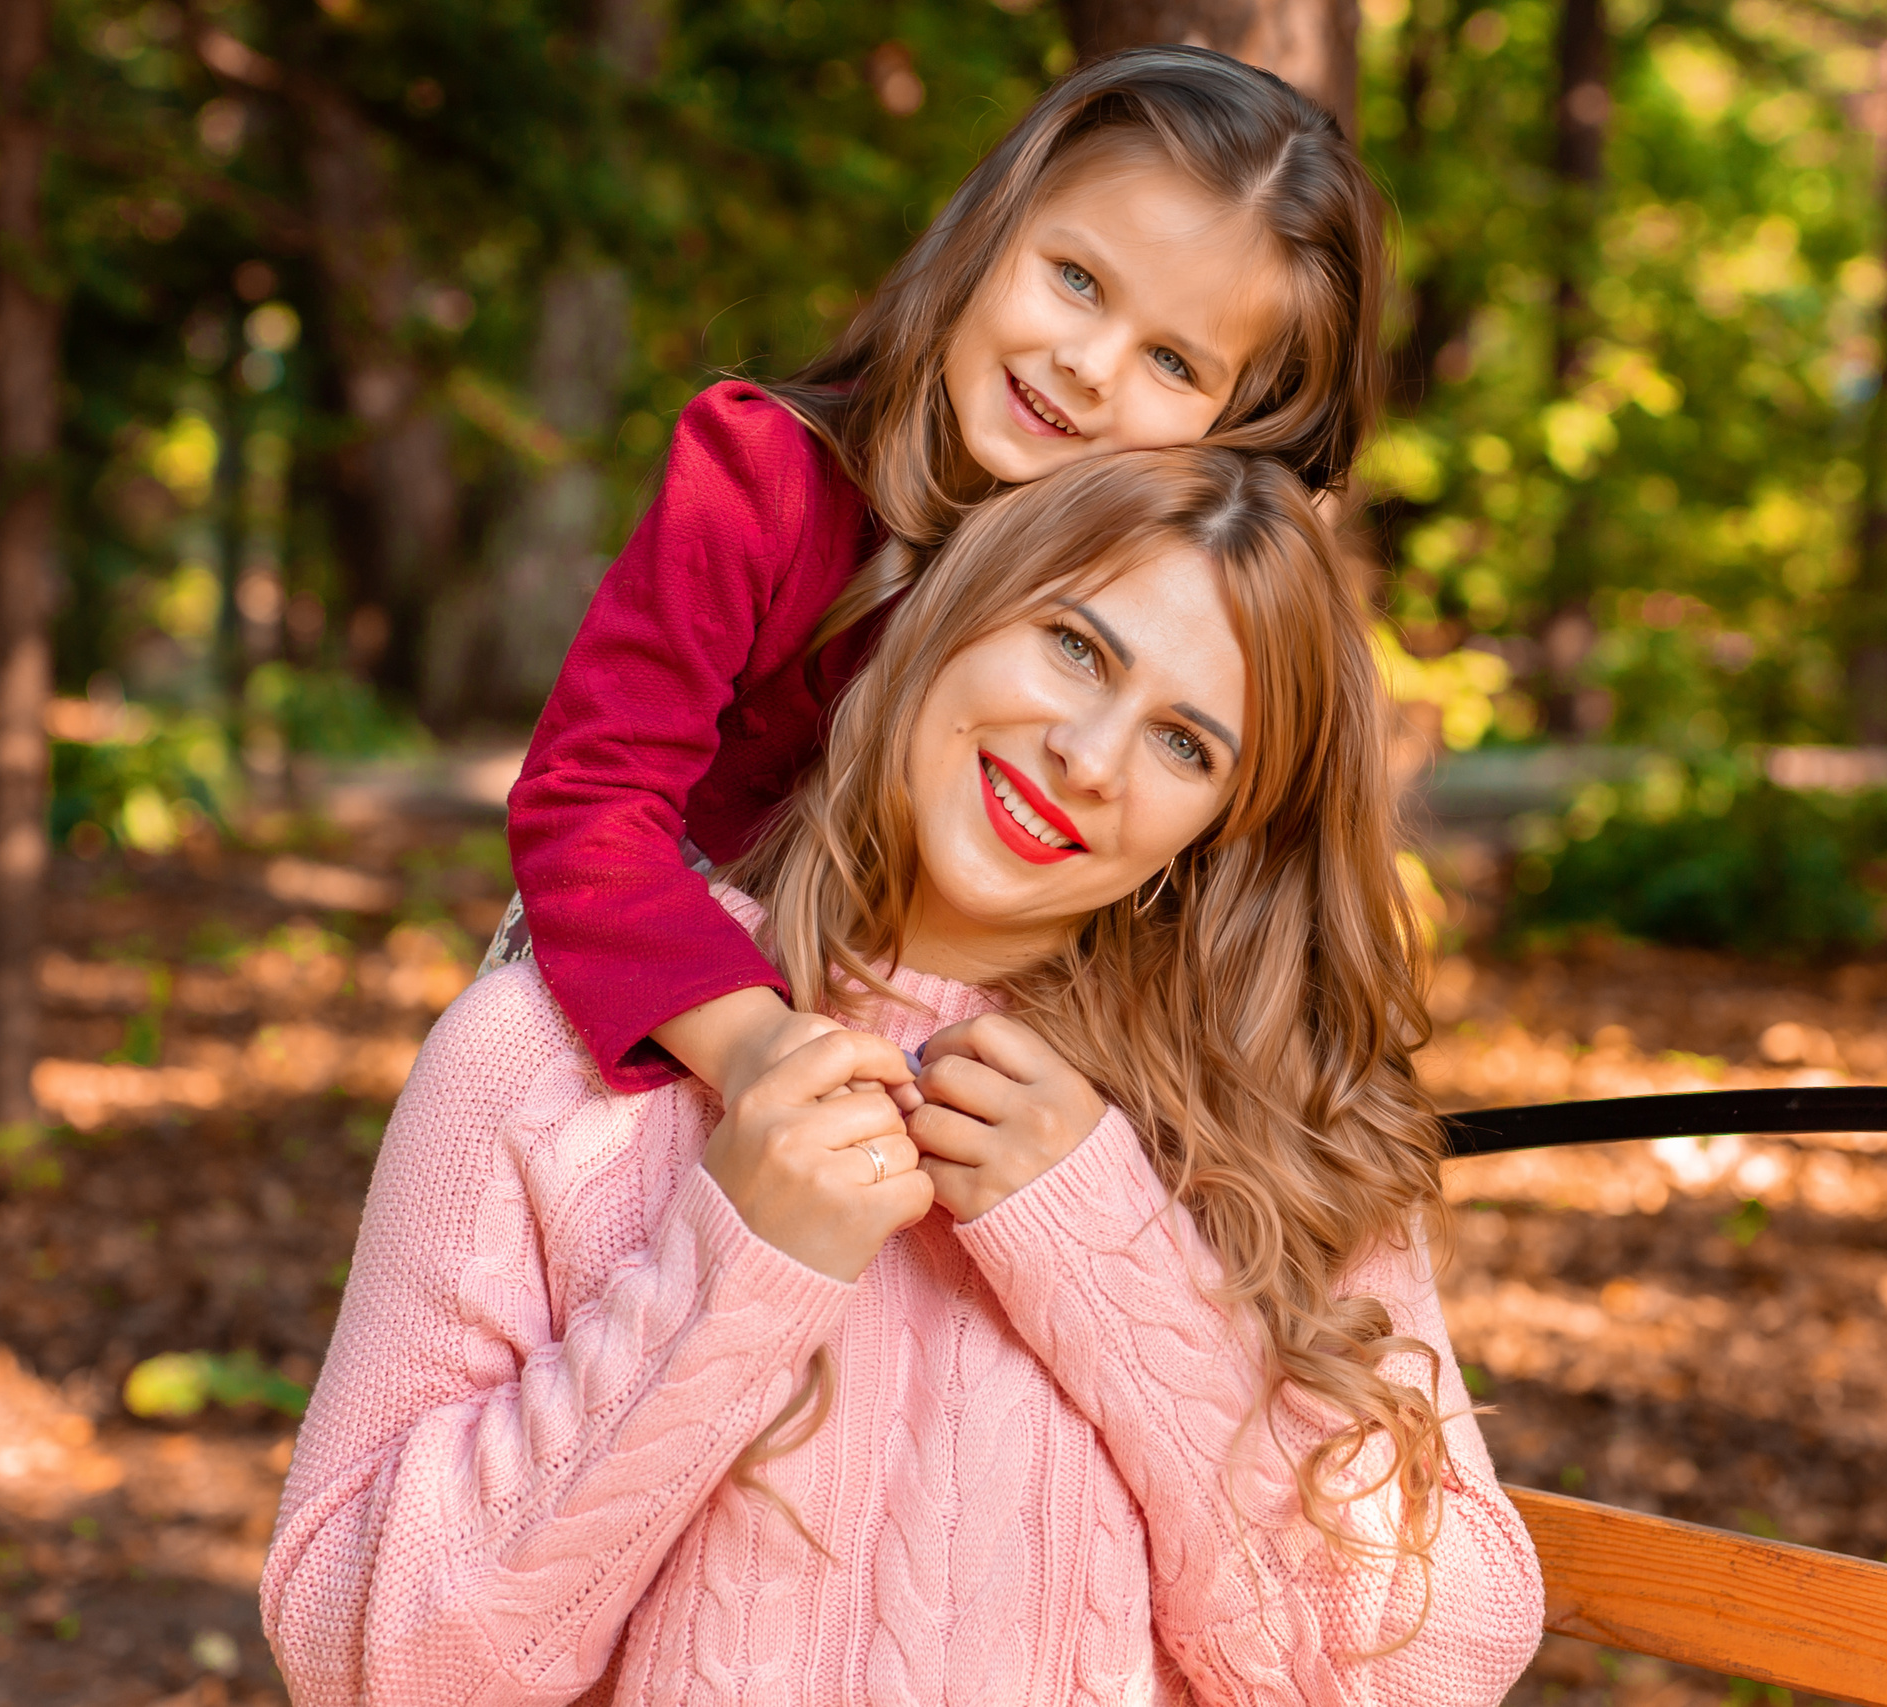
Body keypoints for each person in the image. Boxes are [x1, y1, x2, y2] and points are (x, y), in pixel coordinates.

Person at [262, 449, 1544, 1704]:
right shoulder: (542, 1058)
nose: (1091, 756)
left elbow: (1430, 1669)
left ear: (1217, 829)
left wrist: (1114, 1256)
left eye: (1187, 745)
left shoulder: (1266, 1123)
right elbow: (359, 1663)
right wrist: (729, 1269)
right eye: (1078, 647)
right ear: (949, 614)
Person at [498, 45, 1392, 1132]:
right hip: (681, 1015)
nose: (1091, 364)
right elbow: (588, 798)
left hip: (953, 1062)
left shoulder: (1150, 606)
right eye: (1075, 279)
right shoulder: (763, 477)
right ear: (990, 231)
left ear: (1236, 429)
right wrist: (756, 1046)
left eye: (1174, 363)